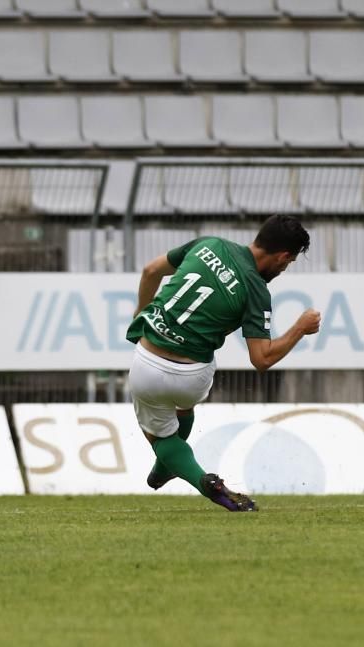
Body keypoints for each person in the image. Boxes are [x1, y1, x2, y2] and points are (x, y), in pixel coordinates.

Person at [125, 214, 321, 512]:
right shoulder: (256, 289)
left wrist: (141, 313)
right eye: (288, 262)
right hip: (193, 377)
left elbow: (151, 270)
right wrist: (299, 329)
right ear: (282, 256)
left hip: (147, 364)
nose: (284, 268)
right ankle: (167, 466)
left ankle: (185, 468)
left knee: (160, 435)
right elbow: (262, 358)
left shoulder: (209, 244)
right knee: (182, 407)